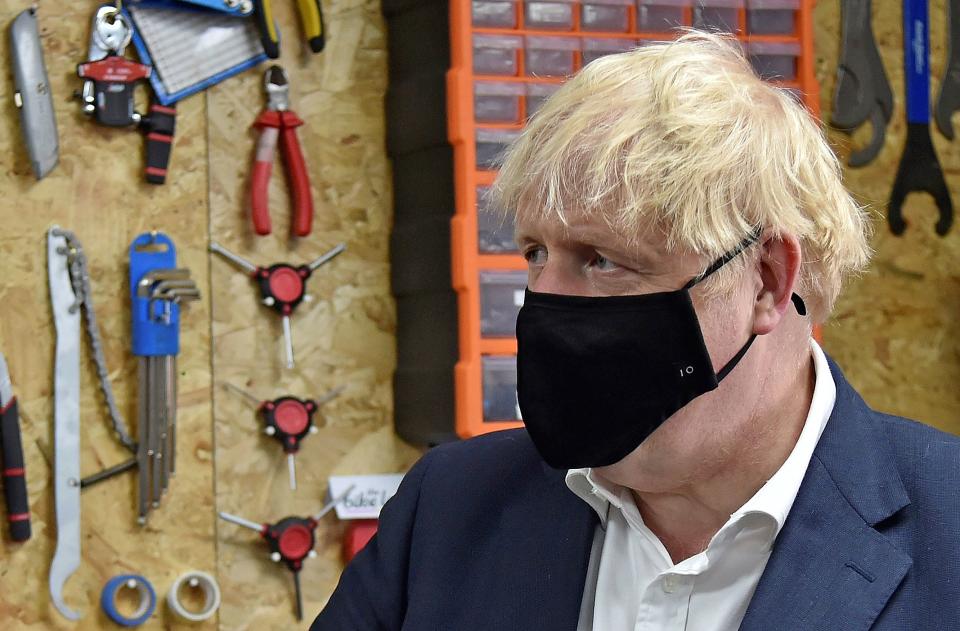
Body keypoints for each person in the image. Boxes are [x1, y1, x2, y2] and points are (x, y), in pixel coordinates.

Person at [312, 31, 960, 630]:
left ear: (765, 279)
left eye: (603, 260)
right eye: (536, 253)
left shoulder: (947, 531)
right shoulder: (448, 509)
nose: (545, 302)